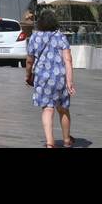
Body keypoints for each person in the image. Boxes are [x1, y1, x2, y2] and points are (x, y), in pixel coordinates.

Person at [25, 9, 75, 148]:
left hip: (42, 77)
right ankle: (66, 140)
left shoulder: (35, 37)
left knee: (48, 109)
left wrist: (28, 76)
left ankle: (50, 143)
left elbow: (29, 61)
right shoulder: (61, 37)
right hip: (60, 77)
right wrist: (70, 82)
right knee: (63, 108)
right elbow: (68, 60)